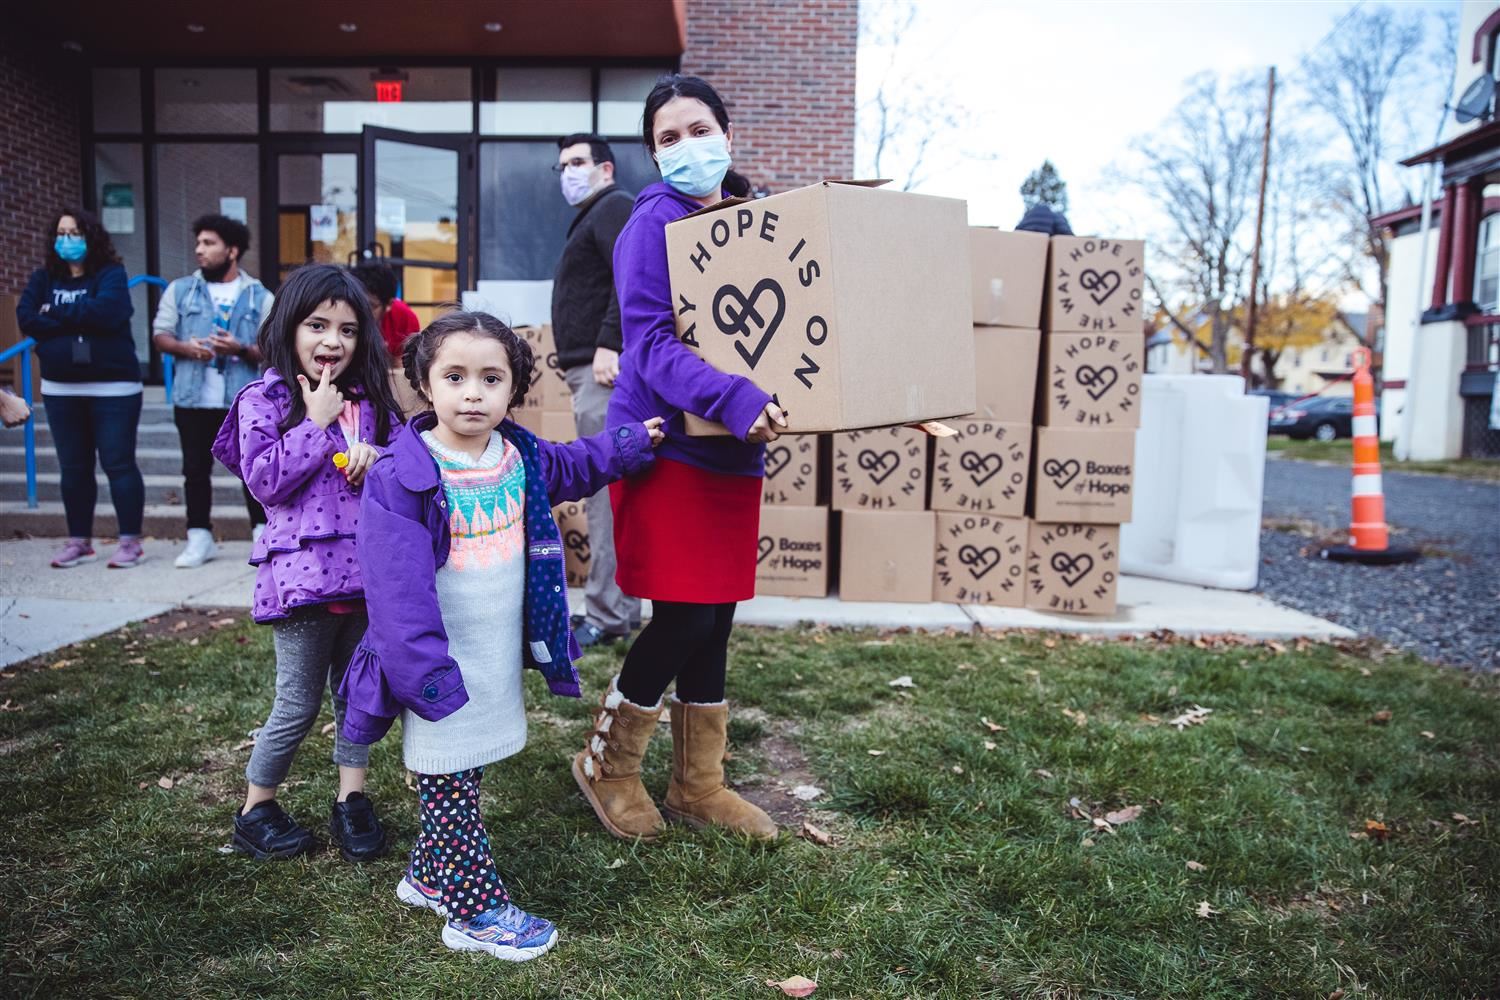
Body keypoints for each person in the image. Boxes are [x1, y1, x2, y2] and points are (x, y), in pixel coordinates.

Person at [337, 311, 662, 960]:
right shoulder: (401, 477)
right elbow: (398, 597)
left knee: (466, 764)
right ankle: (474, 911)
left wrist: (628, 443)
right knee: (448, 775)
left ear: (514, 389)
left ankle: (430, 874)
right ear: (423, 385)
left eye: (492, 378)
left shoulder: (518, 456)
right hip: (434, 663)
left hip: (490, 656)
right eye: (454, 377)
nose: (473, 393)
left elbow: (577, 465)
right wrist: (427, 676)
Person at [571, 74, 786, 844]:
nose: (686, 147)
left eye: (698, 129)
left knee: (716, 614)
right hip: (669, 447)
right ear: (653, 154)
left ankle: (699, 783)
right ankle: (610, 763)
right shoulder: (648, 224)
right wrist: (735, 398)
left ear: (726, 133)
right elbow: (652, 345)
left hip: (734, 452)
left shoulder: (754, 220)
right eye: (667, 138)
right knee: (685, 613)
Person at [210, 264, 402, 862]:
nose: (332, 342)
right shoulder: (262, 399)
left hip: (363, 574)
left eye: (347, 330)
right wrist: (315, 424)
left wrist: (381, 465)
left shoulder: (368, 400)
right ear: (290, 327)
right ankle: (256, 808)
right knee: (298, 702)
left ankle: (351, 799)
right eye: (317, 325)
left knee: (356, 695)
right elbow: (265, 482)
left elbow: (402, 470)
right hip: (302, 578)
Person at [16, 209, 146, 569]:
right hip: (60, 388)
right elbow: (27, 318)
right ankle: (79, 541)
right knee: (73, 467)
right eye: (61, 232)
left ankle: (130, 542)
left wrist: (52, 312)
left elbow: (109, 312)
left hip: (115, 388)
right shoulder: (42, 278)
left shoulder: (111, 275)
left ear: (90, 237)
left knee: (118, 464)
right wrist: (77, 314)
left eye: (74, 232)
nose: (67, 239)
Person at [550, 132, 639, 647]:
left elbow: (630, 278)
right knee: (610, 489)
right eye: (562, 165)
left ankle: (606, 615)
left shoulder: (612, 207)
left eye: (578, 161)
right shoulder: (593, 214)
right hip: (591, 370)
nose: (569, 172)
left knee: (604, 491)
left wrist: (610, 342)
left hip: (603, 370)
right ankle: (618, 611)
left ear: (606, 169)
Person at [152, 214, 274, 568]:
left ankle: (261, 534)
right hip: (193, 398)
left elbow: (272, 347)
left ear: (232, 250)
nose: (199, 250)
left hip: (242, 399)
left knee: (251, 468)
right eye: (199, 243)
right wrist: (188, 349)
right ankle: (199, 537)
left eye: (208, 244)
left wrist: (238, 349)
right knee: (194, 469)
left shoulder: (258, 295)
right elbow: (160, 335)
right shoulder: (181, 290)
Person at [350, 259, 424, 416]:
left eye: (370, 306)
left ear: (389, 304)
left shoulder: (404, 317)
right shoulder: (344, 314)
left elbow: (404, 366)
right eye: (356, 302)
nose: (361, 311)